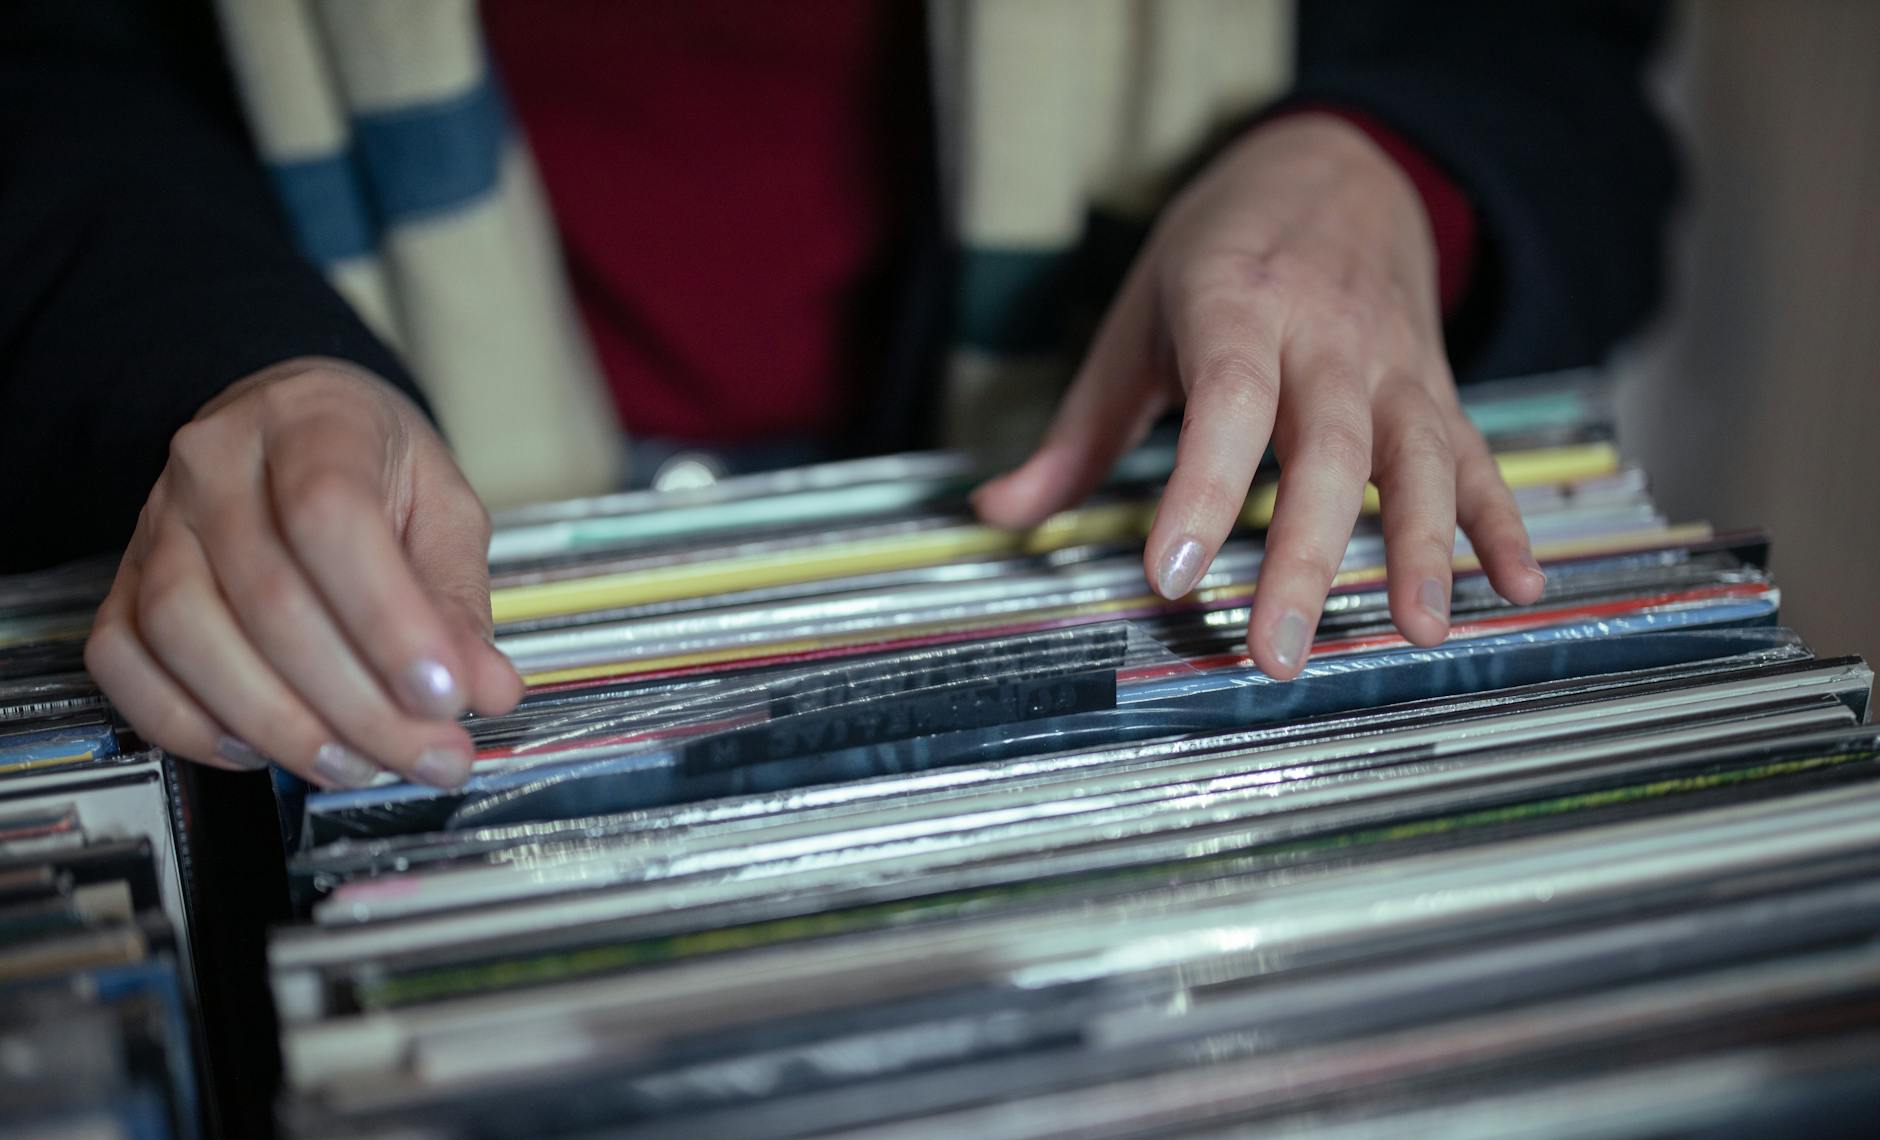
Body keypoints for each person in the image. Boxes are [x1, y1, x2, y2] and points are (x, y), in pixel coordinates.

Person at [0, 1, 1676, 792]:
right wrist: (229, 361)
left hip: (1122, 448)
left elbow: (1571, 72)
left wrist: (1364, 165)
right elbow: (52, 80)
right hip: (426, 474)